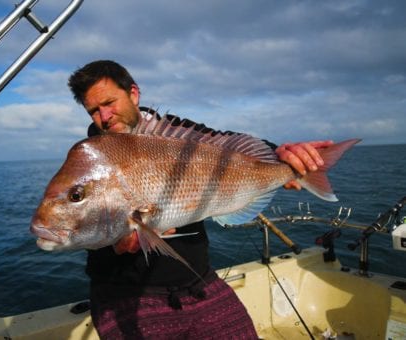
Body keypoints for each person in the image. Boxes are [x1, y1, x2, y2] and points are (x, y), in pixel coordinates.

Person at [68, 60, 333, 339]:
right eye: (93, 111)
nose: (104, 116)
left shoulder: (177, 131)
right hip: (125, 293)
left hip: (199, 282)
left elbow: (224, 142)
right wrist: (114, 246)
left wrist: (281, 155)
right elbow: (81, 231)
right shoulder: (90, 162)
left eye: (110, 102)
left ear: (133, 93)